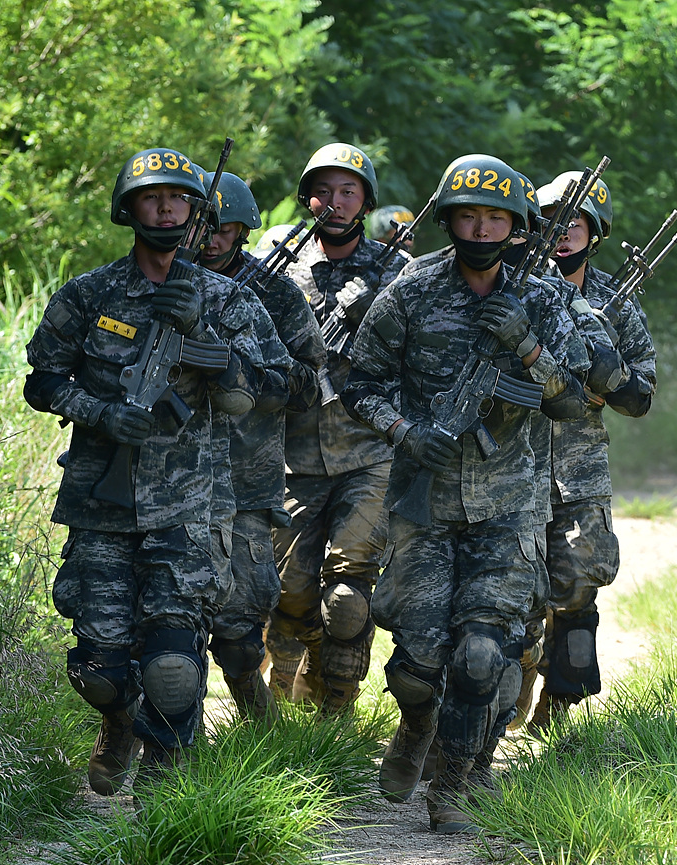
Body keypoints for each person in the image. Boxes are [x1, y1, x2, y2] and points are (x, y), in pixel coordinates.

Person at [23, 147, 281, 795]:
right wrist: (102, 412)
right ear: (130, 208)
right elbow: (44, 380)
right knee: (100, 667)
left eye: (178, 199)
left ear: (198, 212)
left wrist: (215, 354)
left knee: (173, 664)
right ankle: (117, 723)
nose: (166, 209)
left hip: (192, 505)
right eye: (152, 198)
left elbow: (278, 385)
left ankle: (165, 800)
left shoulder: (228, 300)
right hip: (101, 502)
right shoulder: (89, 294)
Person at [343, 154, 587, 833]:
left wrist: (529, 349)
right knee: (418, 666)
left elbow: (571, 403)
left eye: (495, 217)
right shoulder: (411, 293)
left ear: (515, 225)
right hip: (425, 501)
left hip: (508, 505)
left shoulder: (541, 298)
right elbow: (360, 381)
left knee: (483, 653)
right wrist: (403, 429)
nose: (481, 227)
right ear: (450, 219)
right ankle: (417, 725)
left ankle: (455, 780)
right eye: (469, 215)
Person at [513, 170, 657, 734]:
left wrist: (605, 367)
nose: (564, 231)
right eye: (552, 220)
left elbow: (639, 396)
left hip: (578, 469)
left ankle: (559, 700)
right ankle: (515, 677)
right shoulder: (515, 285)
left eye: (577, 221)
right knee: (512, 588)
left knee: (578, 582)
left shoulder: (614, 304)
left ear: (595, 232)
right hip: (510, 463)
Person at [268, 142, 409, 713]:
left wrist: (374, 308)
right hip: (291, 453)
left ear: (364, 200)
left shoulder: (397, 271)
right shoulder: (276, 264)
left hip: (369, 450)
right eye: (323, 190)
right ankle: (290, 674)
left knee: (349, 594)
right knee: (291, 591)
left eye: (348, 190)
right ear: (308, 197)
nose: (335, 200)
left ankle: (337, 708)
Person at [197, 172, 326, 720]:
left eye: (225, 228)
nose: (212, 238)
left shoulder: (274, 292)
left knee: (242, 622)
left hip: (245, 477)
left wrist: (241, 372)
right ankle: (165, 735)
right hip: (157, 475)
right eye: (203, 225)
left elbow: (308, 380)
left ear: (244, 230)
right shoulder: (156, 281)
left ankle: (257, 719)